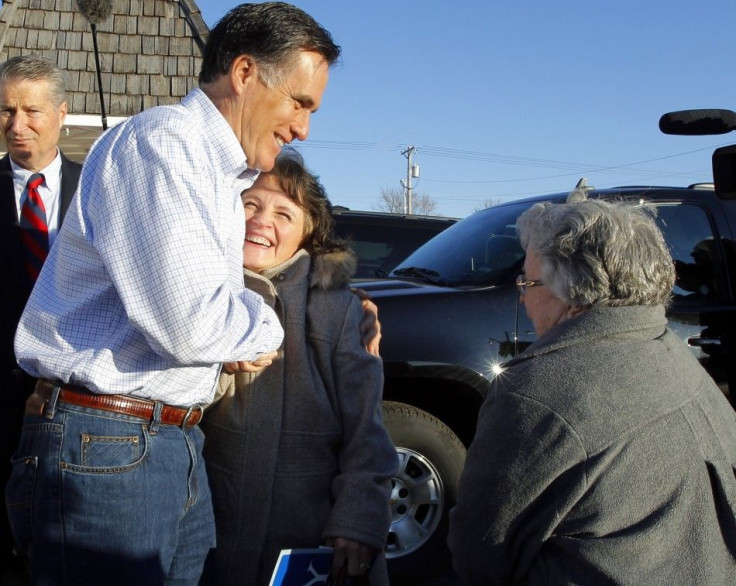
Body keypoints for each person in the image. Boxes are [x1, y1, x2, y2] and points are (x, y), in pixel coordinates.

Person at [6, 3, 340, 584]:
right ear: (244, 73)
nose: (303, 128)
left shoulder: (210, 170)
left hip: (156, 443)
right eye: (299, 102)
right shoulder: (163, 146)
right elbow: (191, 324)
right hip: (109, 445)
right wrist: (267, 322)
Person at [448, 194, 736, 584]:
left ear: (573, 293)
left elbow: (480, 555)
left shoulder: (536, 391)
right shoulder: (671, 353)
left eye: (527, 281)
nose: (522, 295)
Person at [200, 149, 397, 586]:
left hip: (305, 535)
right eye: (249, 204)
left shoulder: (338, 311)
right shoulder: (198, 292)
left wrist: (357, 519)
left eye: (284, 213)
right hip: (209, 525)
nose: (261, 220)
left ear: (308, 235)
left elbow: (367, 430)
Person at [0, 54, 82, 576]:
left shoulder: (98, 193)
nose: (16, 125)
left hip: (69, 398)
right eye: (6, 111)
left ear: (61, 114)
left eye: (31, 110)